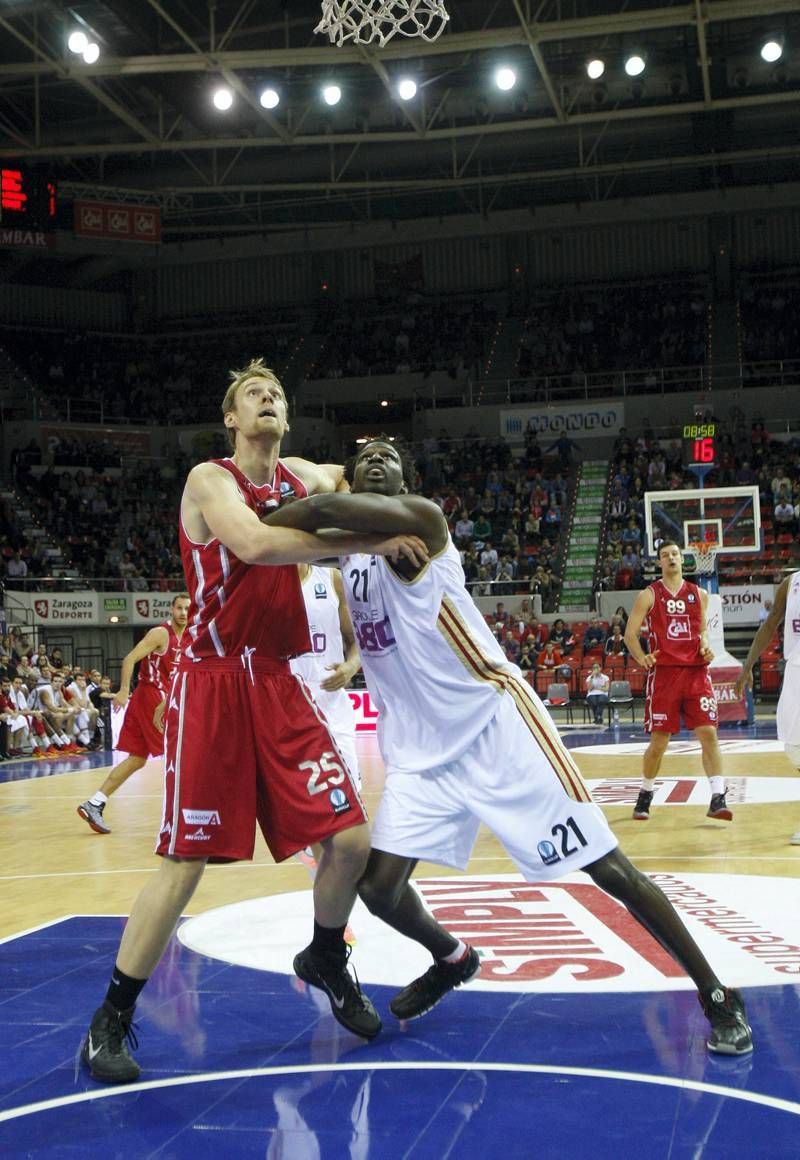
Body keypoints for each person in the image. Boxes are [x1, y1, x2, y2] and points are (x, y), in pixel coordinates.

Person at [263, 438, 752, 1057]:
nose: (378, 459)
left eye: (391, 454)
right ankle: (453, 957)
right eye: (365, 457)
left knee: (607, 868)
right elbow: (301, 512)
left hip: (496, 725)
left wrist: (303, 499)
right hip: (419, 752)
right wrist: (310, 490)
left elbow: (301, 514)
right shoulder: (349, 555)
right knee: (378, 889)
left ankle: (717, 994)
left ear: (407, 478)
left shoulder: (421, 521)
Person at [80, 360, 427, 1085]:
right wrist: (370, 538)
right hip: (208, 684)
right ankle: (110, 1019)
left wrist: (377, 469)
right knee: (185, 864)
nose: (267, 401)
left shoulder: (299, 473)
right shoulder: (210, 480)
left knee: (351, 840)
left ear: (286, 419)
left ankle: (326, 955)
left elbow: (352, 473)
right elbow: (258, 546)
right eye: (253, 395)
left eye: (276, 395)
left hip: (275, 679)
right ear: (232, 419)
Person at [624, 541, 731, 823]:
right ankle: (646, 792)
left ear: (683, 560)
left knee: (709, 733)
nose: (671, 558)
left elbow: (702, 631)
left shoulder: (699, 594)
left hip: (696, 672)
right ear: (659, 562)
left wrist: (706, 646)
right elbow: (630, 635)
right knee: (659, 742)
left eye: (675, 554)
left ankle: (718, 796)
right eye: (665, 555)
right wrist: (641, 657)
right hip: (665, 675)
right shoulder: (649, 595)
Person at [76, 593, 191, 834]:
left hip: (154, 699)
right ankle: (182, 815)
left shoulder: (190, 636)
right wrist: (123, 690)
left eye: (187, 609)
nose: (183, 613)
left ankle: (95, 802)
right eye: (179, 608)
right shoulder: (160, 633)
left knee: (137, 759)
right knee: (180, 753)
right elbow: (129, 659)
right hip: (151, 697)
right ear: (171, 610)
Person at [290, 562, 363, 911]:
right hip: (290, 710)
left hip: (334, 707)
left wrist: (350, 667)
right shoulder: (264, 579)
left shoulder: (330, 578)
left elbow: (356, 640)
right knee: (318, 812)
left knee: (350, 808)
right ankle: (332, 909)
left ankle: (337, 895)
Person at [734, 572, 800, 844]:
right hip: (796, 669)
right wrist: (747, 664)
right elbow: (772, 623)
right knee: (793, 747)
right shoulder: (791, 583)